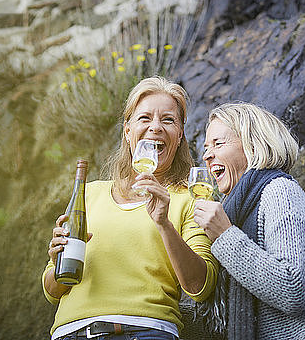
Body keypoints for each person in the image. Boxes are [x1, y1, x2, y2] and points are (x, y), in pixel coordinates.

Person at [42, 77, 219, 340]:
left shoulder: (189, 198)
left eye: (168, 120)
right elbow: (51, 290)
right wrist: (58, 262)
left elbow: (200, 286)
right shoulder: (89, 194)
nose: (155, 127)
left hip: (146, 331)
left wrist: (164, 224)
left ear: (180, 135)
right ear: (127, 131)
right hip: (71, 333)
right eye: (144, 118)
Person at [193, 102, 305, 340]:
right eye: (206, 148)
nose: (207, 155)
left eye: (218, 143)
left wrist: (225, 235)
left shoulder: (280, 192)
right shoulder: (236, 210)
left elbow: (294, 289)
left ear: (252, 145)